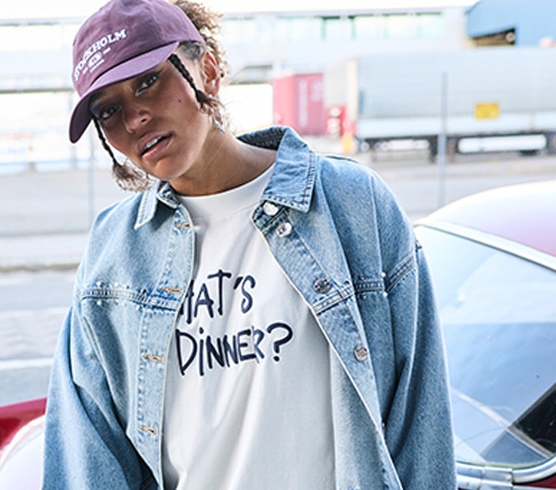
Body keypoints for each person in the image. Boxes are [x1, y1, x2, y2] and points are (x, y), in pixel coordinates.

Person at [42, 0, 455, 488]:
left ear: (208, 72)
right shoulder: (114, 255)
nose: (134, 118)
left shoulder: (350, 205)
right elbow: (90, 455)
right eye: (108, 110)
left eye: (148, 81)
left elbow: (418, 413)